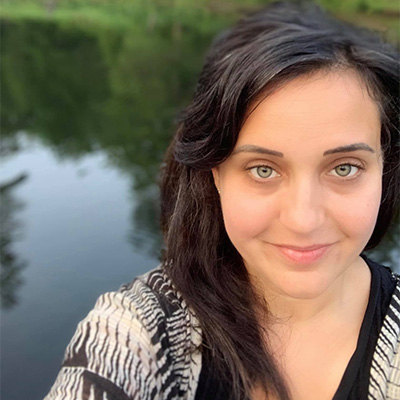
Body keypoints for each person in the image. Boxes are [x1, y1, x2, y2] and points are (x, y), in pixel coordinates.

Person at [45, 1, 400, 399]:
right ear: (216, 174)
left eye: (344, 168)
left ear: (385, 167)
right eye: (263, 169)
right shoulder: (141, 333)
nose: (303, 220)